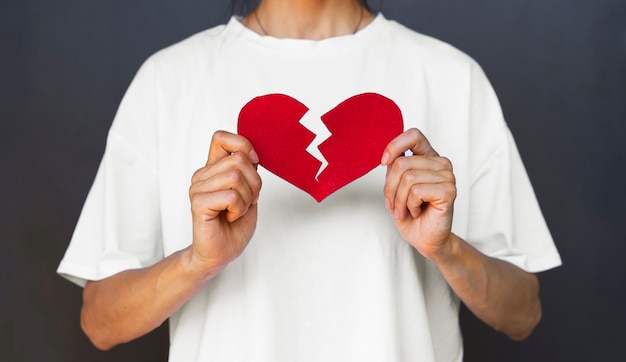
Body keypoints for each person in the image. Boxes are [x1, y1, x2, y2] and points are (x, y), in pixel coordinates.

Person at [57, 0, 561, 361]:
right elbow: (100, 322)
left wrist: (447, 249)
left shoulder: (451, 77)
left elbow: (523, 314)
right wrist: (198, 261)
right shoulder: (169, 80)